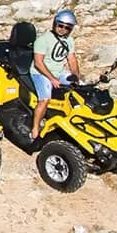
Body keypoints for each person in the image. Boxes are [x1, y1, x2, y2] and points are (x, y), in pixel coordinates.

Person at [30, 9, 81, 140]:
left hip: (58, 72)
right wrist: (51, 79)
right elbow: (38, 63)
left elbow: (72, 59)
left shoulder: (69, 41)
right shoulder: (43, 40)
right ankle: (35, 128)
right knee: (45, 99)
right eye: (60, 25)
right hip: (40, 73)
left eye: (67, 28)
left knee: (81, 90)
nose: (63, 29)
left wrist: (75, 76)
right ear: (55, 24)